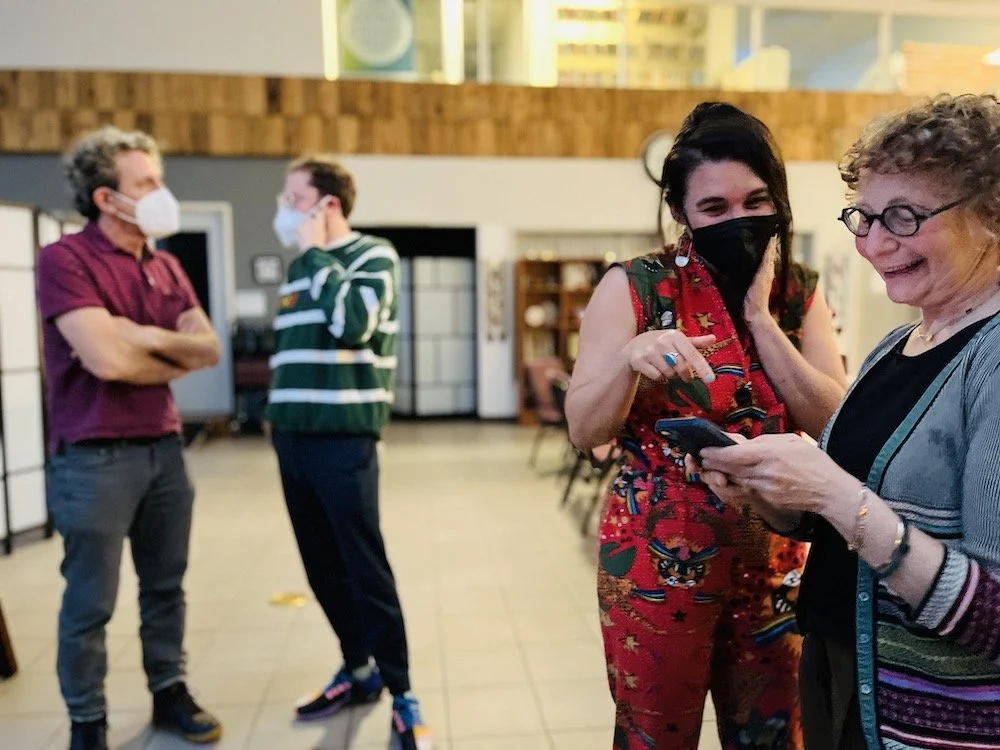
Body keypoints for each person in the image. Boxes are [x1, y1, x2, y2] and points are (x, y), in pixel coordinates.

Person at [697, 93, 1000, 750]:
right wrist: (772, 495)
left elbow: (991, 616)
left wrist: (832, 491)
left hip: (925, 712)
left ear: (991, 216)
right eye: (864, 217)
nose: (874, 243)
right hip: (842, 669)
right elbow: (848, 516)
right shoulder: (899, 344)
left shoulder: (992, 359)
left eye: (903, 216)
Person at [565, 102, 847, 749]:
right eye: (715, 209)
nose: (738, 221)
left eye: (754, 202)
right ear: (681, 214)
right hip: (656, 556)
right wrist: (630, 360)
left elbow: (836, 419)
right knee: (656, 736)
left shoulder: (797, 293)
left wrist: (761, 323)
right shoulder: (636, 287)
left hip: (775, 554)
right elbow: (584, 428)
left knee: (774, 734)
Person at [36, 126, 223, 750]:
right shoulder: (65, 261)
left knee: (166, 587)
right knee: (90, 604)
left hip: (164, 451)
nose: (160, 192)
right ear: (105, 198)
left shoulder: (166, 266)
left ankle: (169, 690)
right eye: (145, 183)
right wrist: (168, 354)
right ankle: (87, 722)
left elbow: (210, 349)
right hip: (95, 458)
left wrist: (141, 335)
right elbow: (106, 364)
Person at [266, 155, 431, 749]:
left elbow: (356, 323)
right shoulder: (299, 272)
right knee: (321, 565)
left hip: (343, 438)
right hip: (292, 440)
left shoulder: (370, 256)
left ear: (326, 204)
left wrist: (314, 254)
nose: (283, 210)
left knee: (364, 565)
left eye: (292, 197)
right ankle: (357, 670)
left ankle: (402, 692)